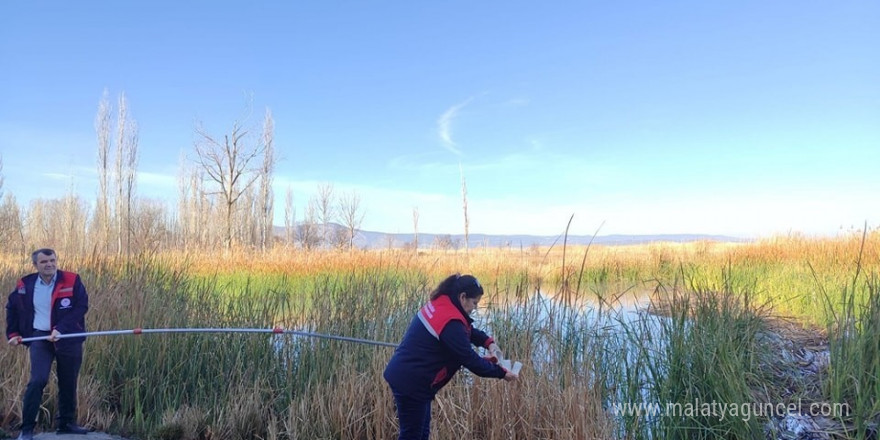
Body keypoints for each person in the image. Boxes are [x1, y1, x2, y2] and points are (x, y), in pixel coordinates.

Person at [384, 273, 518, 440]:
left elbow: (465, 330)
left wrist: (488, 342)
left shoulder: (444, 304)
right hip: (411, 383)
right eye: (474, 303)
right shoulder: (450, 321)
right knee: (411, 436)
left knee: (421, 434)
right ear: (463, 297)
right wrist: (502, 373)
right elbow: (470, 360)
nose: (474, 308)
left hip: (412, 378)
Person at [6, 248, 90, 440]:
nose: (49, 264)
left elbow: (81, 306)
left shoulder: (71, 279)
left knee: (68, 381)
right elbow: (12, 307)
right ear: (35, 265)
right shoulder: (25, 284)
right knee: (38, 380)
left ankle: (66, 424)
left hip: (68, 338)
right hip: (39, 338)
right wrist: (12, 333)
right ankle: (26, 429)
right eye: (44, 262)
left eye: (52, 260)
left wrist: (61, 328)